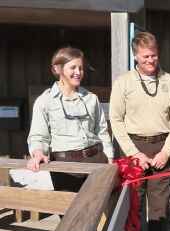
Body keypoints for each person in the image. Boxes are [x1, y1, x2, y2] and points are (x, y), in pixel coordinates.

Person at [109, 31, 170, 231]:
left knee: (160, 212)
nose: (151, 60)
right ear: (134, 56)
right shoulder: (123, 83)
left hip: (161, 147)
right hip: (134, 150)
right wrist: (133, 153)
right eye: (145, 56)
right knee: (132, 209)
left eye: (154, 55)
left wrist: (167, 151)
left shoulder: (169, 81)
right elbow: (116, 120)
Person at [27, 47, 113, 192]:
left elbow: (102, 131)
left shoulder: (91, 99)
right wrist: (39, 154)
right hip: (65, 165)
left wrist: (109, 158)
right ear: (57, 69)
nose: (78, 72)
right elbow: (38, 136)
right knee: (70, 212)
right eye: (73, 68)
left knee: (99, 211)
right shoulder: (45, 101)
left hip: (97, 160)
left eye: (81, 68)